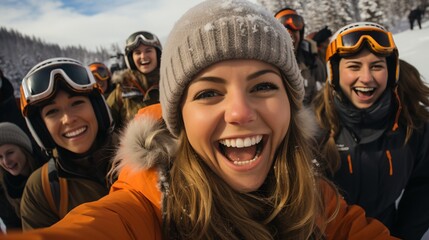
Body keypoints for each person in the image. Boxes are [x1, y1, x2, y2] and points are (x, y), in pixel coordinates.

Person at [0, 1, 397, 239]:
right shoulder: (148, 205)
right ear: (179, 119)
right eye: (208, 93)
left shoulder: (313, 195)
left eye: (262, 86)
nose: (240, 112)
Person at [312, 22, 429, 240]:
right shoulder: (312, 128)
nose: (366, 78)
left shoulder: (414, 125)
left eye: (376, 66)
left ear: (391, 71)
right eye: (354, 66)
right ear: (334, 73)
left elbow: (423, 187)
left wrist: (405, 234)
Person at [18, 57, 117, 230]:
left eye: (77, 103)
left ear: (98, 108)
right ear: (41, 128)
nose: (68, 119)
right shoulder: (42, 191)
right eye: (52, 112)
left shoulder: (143, 155)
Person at [106, 31, 162, 130]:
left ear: (158, 54)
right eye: (137, 53)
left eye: (148, 50)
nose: (143, 56)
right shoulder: (121, 91)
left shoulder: (171, 83)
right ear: (130, 59)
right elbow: (104, 124)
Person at [274, 7, 326, 105]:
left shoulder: (312, 61)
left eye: (294, 31)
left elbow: (323, 99)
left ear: (300, 35)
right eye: (283, 31)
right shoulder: (268, 64)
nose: (289, 36)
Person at [0, 123, 42, 232]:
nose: (6, 161)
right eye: (0, 157)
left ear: (24, 149)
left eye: (10, 153)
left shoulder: (49, 171)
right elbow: (13, 230)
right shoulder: (4, 191)